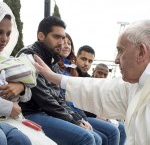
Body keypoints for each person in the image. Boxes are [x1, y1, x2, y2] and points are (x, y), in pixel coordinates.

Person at [33, 19, 150, 145]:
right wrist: (55, 77)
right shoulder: (137, 83)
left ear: (141, 52)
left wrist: (76, 118)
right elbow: (99, 90)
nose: (116, 60)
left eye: (121, 51)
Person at [17, 16, 102, 145]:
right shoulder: (30, 56)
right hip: (31, 113)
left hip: (46, 112)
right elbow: (45, 100)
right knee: (87, 137)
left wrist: (78, 118)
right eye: (56, 37)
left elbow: (59, 97)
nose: (61, 42)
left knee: (97, 137)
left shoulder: (52, 59)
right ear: (41, 35)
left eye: (63, 38)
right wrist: (74, 121)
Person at [0, 2, 56, 145]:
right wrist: (8, 107)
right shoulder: (29, 55)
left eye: (8, 33)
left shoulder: (7, 61)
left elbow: (28, 95)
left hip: (11, 118)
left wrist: (21, 87)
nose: (4, 39)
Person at [57, 33, 123, 145]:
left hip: (78, 113)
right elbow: (70, 101)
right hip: (74, 114)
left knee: (120, 128)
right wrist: (81, 119)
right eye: (83, 59)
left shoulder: (77, 74)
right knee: (111, 132)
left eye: (90, 61)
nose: (86, 63)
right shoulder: (70, 73)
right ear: (76, 57)